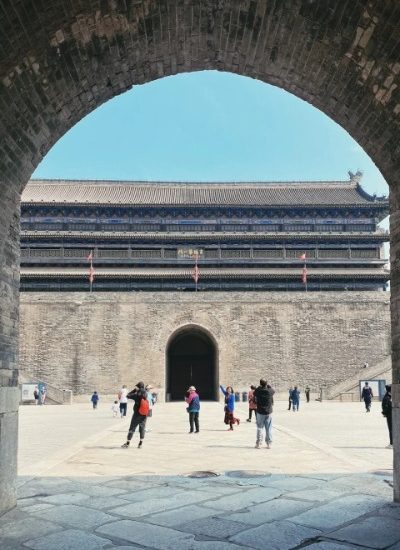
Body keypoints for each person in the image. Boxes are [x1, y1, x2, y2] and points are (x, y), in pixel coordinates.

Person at [121, 382, 149, 448]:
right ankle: (140, 444)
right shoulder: (145, 394)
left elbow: (127, 395)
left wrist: (134, 390)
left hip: (137, 414)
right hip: (144, 414)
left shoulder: (137, 395)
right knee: (142, 428)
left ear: (138, 387)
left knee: (132, 428)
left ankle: (127, 443)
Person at [254, 378, 275, 449]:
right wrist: (268, 386)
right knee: (268, 428)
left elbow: (255, 392)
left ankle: (259, 443)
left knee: (259, 428)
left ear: (260, 384)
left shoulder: (258, 391)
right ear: (266, 383)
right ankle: (269, 443)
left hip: (260, 412)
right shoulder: (269, 391)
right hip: (268, 412)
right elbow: (273, 390)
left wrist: (259, 386)